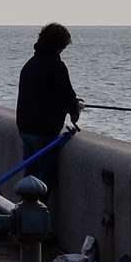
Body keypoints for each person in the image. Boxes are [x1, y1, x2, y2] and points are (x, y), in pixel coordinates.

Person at [15, 22, 83, 201]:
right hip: (44, 132)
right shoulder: (56, 66)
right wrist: (75, 108)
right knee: (43, 182)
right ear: (59, 45)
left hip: (25, 129)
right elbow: (67, 96)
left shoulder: (30, 65)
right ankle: (34, 221)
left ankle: (22, 216)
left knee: (30, 176)